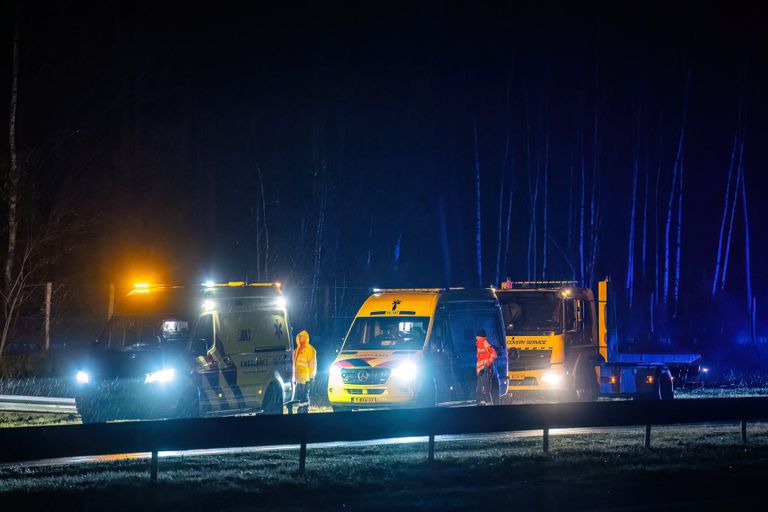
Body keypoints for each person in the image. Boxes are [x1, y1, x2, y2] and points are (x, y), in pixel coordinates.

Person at [293, 330, 317, 414]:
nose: (301, 339)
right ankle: (300, 409)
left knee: (305, 395)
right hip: (297, 378)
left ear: (306, 338)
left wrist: (311, 378)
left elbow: (313, 365)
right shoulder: (297, 350)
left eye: (303, 337)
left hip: (306, 378)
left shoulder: (311, 350)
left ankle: (305, 410)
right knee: (300, 396)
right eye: (300, 337)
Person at [475, 328, 498, 405]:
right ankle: (483, 405)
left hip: (484, 370)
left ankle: (489, 406)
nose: (476, 338)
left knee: (486, 391)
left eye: (477, 336)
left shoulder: (484, 343)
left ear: (479, 336)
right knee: (479, 391)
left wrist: (486, 366)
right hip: (480, 371)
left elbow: (494, 354)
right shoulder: (479, 344)